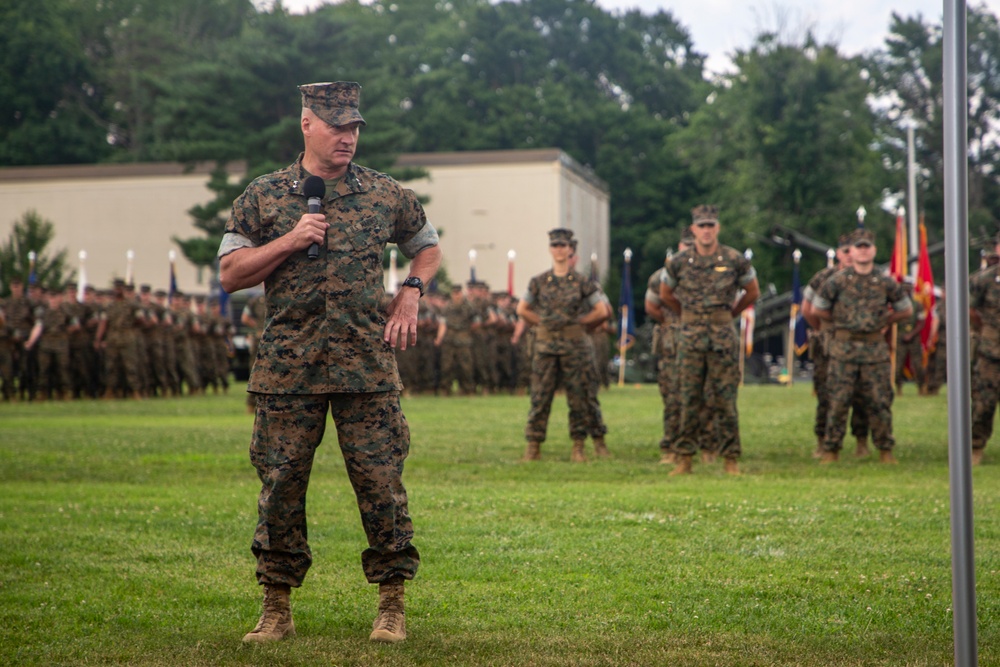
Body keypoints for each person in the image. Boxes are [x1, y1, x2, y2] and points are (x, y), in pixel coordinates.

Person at [218, 81, 441, 644]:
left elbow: (428, 244)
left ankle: (392, 604)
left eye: (354, 127)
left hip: (367, 367)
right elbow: (230, 275)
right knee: (281, 486)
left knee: (381, 484)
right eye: (337, 125)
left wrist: (412, 288)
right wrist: (290, 241)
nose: (348, 137)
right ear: (307, 124)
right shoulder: (265, 196)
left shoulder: (385, 194)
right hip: (288, 372)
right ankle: (276, 607)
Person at [659, 205, 759, 476]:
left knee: (725, 399)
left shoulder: (734, 259)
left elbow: (752, 291)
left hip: (722, 335)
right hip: (690, 337)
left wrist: (730, 313)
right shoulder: (678, 261)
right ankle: (684, 458)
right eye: (701, 225)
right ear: (693, 230)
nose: (706, 230)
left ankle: (730, 458)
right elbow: (665, 292)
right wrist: (685, 314)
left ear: (718, 228)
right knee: (688, 398)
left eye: (710, 225)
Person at [812, 228, 912, 464]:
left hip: (874, 350)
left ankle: (885, 449)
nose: (863, 251)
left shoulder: (885, 282)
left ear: (874, 250)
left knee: (879, 401)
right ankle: (831, 450)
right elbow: (818, 308)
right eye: (859, 247)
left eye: (867, 247)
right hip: (843, 349)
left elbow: (905, 309)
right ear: (852, 252)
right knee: (838, 401)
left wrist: (885, 321)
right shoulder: (836, 281)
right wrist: (839, 323)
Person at [517, 228, 610, 462]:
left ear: (570, 250)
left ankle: (578, 446)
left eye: (563, 245)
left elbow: (601, 311)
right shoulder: (538, 281)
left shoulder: (582, 282)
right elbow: (522, 309)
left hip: (574, 346)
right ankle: (533, 446)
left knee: (578, 396)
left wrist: (579, 323)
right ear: (551, 249)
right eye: (555, 245)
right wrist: (543, 324)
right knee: (540, 396)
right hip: (546, 346)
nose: (559, 249)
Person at [801, 233, 871, 458]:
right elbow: (807, 308)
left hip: (859, 344)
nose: (850, 255)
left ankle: (862, 442)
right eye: (846, 251)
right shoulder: (823, 277)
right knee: (826, 392)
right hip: (829, 343)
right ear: (839, 253)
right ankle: (823, 441)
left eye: (854, 250)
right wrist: (825, 328)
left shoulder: (869, 276)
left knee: (861, 393)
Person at [969, 234, 1000, 465]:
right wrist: (984, 328)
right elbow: (969, 306)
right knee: (984, 403)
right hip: (991, 351)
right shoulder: (985, 279)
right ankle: (976, 447)